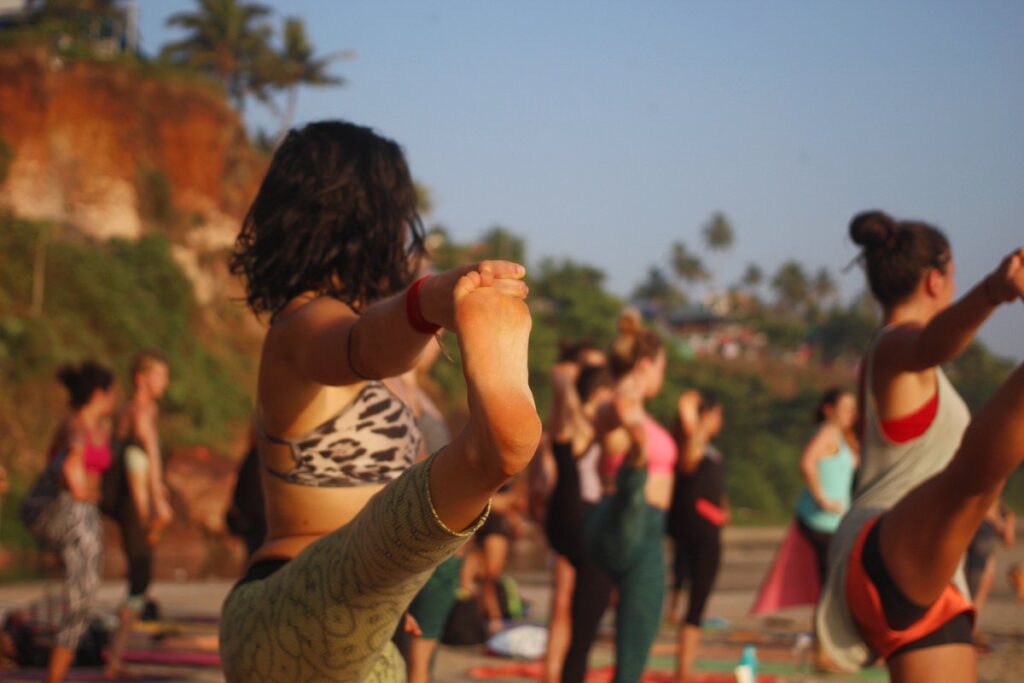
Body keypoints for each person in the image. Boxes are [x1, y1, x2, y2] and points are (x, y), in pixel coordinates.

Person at [218, 120, 542, 682]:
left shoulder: (386, 367)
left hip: (364, 629)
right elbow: (362, 345)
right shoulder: (302, 322)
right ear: (375, 221)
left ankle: (478, 465)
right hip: (293, 605)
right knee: (420, 509)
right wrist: (428, 302)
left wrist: (384, 601)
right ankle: (487, 457)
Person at [815, 210, 1024, 682]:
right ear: (936, 280)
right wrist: (994, 290)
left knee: (972, 486)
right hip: (887, 548)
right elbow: (933, 340)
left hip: (921, 580)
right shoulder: (892, 347)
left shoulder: (906, 368)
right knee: (969, 483)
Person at [564, 311, 676, 683]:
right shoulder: (621, 402)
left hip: (628, 522)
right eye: (662, 367)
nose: (663, 376)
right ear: (647, 364)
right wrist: (634, 435)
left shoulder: (625, 404)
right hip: (634, 522)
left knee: (603, 638)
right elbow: (611, 415)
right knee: (632, 651)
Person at [29, 362, 117, 683]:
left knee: (84, 599)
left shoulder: (101, 429)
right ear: (99, 394)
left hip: (84, 514)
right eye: (112, 393)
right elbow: (71, 471)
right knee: (82, 596)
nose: (115, 399)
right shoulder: (74, 426)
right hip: (61, 511)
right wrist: (80, 487)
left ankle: (56, 674)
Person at [541, 346, 612, 683]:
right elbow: (570, 422)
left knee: (572, 610)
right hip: (579, 519)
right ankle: (561, 673)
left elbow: (565, 422)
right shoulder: (588, 424)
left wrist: (564, 385)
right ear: (600, 393)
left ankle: (558, 672)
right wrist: (565, 386)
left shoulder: (577, 423)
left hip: (565, 521)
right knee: (577, 616)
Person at [105, 351, 173, 676]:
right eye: (159, 375)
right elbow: (145, 457)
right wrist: (155, 501)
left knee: (141, 576)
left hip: (140, 497)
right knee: (140, 574)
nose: (165, 382)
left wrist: (157, 496)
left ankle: (117, 652)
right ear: (141, 378)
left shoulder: (145, 410)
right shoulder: (137, 411)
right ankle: (114, 656)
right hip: (133, 499)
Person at [668, 390, 727, 682]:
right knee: (696, 601)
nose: (721, 421)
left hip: (709, 529)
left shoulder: (707, 447)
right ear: (706, 416)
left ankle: (684, 667)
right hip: (698, 532)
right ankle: (683, 670)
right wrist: (689, 409)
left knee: (697, 600)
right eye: (717, 415)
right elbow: (690, 460)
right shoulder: (692, 445)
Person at [793, 388, 858, 583]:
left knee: (832, 576)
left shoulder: (843, 436)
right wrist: (822, 499)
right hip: (822, 520)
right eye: (845, 408)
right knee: (832, 578)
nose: (850, 413)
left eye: (852, 408)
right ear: (829, 410)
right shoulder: (828, 432)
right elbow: (806, 462)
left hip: (833, 520)